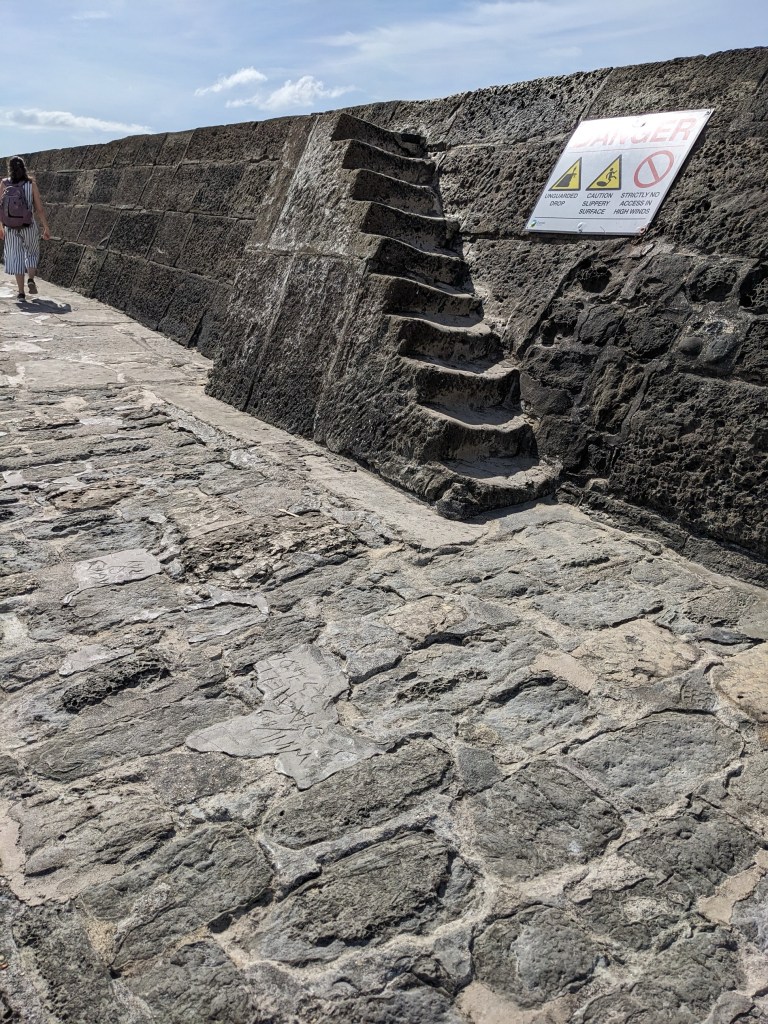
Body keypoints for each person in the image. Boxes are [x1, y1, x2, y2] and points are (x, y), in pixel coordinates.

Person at [0, 156, 51, 301]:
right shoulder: (30, 183)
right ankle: (31, 279)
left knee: (16, 257)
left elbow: (0, 208)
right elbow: (39, 209)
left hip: (10, 227)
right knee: (32, 252)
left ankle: (21, 293)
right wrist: (46, 227)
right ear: (24, 167)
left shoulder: (4, 183)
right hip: (28, 225)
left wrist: (0, 227)